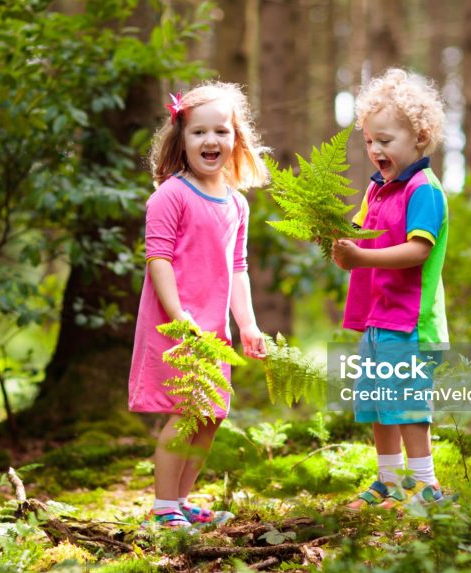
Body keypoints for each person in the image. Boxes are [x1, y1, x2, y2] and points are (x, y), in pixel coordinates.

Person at [129, 82, 268, 529]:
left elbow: (238, 268)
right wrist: (178, 316)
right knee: (187, 412)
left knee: (210, 415)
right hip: (177, 325)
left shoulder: (237, 204)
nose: (211, 141)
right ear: (181, 139)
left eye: (221, 132)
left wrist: (246, 324)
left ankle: (181, 501)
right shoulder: (171, 195)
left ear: (236, 139)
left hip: (213, 330)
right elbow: (158, 260)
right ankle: (163, 508)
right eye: (199, 133)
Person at [332, 68, 449, 510]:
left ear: (419, 137)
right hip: (377, 319)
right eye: (368, 142)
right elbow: (360, 235)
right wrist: (337, 236)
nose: (375, 150)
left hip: (410, 322)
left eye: (385, 140)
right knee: (378, 405)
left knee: (408, 407)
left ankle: (426, 485)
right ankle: (389, 481)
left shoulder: (424, 190)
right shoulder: (378, 188)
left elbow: (417, 250)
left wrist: (359, 258)